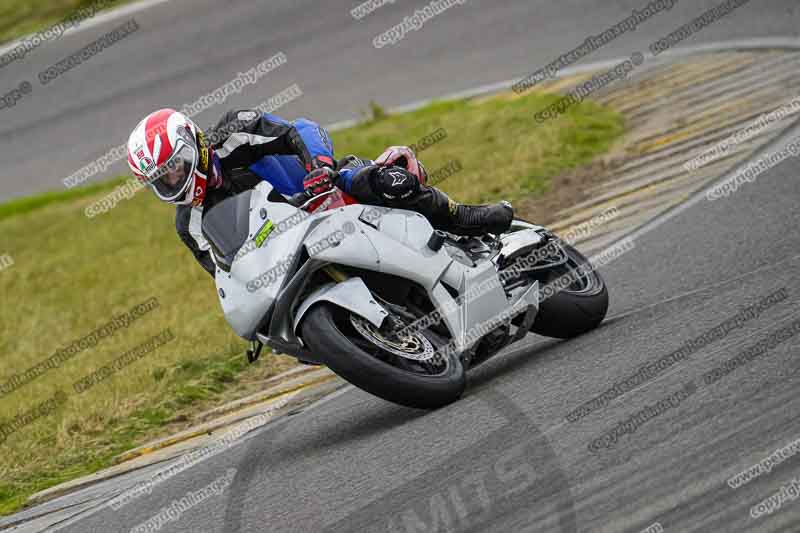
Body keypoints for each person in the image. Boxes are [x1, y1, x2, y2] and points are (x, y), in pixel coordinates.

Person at [126, 108, 514, 276]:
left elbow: (302, 129)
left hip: (328, 194)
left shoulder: (233, 134)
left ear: (194, 143)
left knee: (378, 181)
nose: (173, 180)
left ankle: (460, 217)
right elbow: (225, 275)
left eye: (175, 166)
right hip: (290, 255)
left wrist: (321, 169)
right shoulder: (189, 224)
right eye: (161, 178)